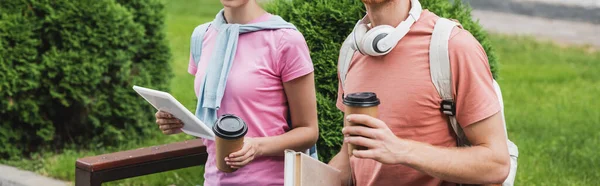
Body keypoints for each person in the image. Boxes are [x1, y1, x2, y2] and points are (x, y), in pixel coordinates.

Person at [328, 0, 511, 185]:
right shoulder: (351, 52)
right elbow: (348, 158)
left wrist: (402, 150)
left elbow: (496, 164)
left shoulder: (453, 46)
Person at [154, 0, 318, 185]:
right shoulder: (202, 36)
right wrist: (182, 121)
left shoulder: (284, 39)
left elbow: (308, 131)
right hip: (214, 179)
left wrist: (257, 147)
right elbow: (215, 114)